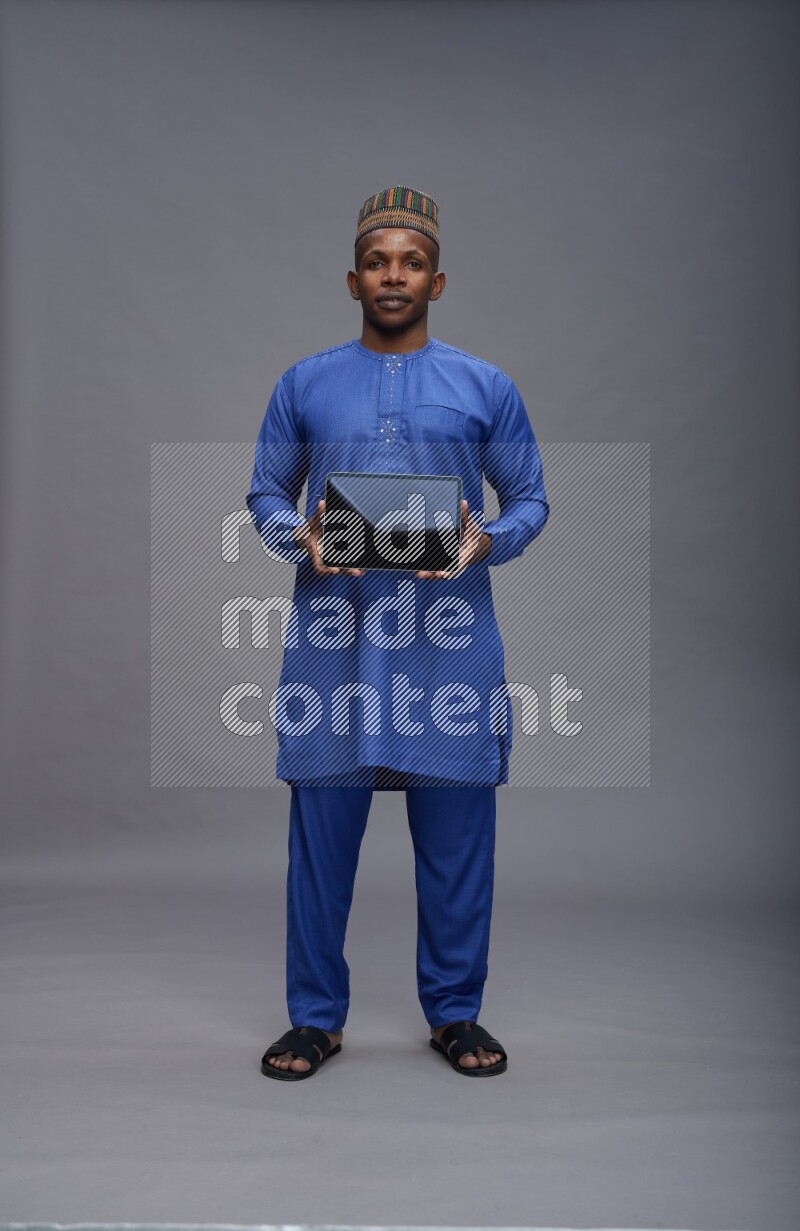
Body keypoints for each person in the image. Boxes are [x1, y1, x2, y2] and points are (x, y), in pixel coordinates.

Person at [246, 186, 549, 1080]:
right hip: (333, 648)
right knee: (320, 842)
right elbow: (264, 491)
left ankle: (455, 1011)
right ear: (352, 279)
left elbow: (530, 499)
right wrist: (295, 535)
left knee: (457, 844)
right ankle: (314, 1018)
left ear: (436, 282)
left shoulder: (485, 386)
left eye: (411, 262)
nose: (393, 275)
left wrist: (486, 542)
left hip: (447, 648)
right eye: (376, 261)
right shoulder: (304, 383)